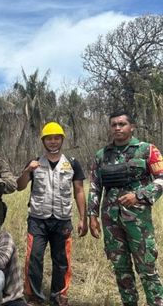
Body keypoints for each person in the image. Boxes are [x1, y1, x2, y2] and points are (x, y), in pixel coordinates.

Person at [88, 110, 163, 306]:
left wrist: (139, 195)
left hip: (138, 222)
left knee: (147, 268)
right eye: (114, 124)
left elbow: (162, 178)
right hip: (111, 222)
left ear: (132, 127)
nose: (117, 128)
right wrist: (92, 215)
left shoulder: (147, 150)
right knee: (121, 270)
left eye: (122, 124)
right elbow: (95, 186)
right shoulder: (101, 155)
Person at [16, 122, 87, 306]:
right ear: (43, 141)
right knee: (34, 258)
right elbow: (20, 186)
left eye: (57, 138)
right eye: (49, 138)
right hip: (37, 220)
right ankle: (33, 297)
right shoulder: (35, 162)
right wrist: (27, 171)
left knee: (62, 260)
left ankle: (59, 296)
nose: (53, 142)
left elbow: (79, 190)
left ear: (62, 140)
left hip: (62, 220)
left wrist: (82, 218)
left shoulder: (71, 163)